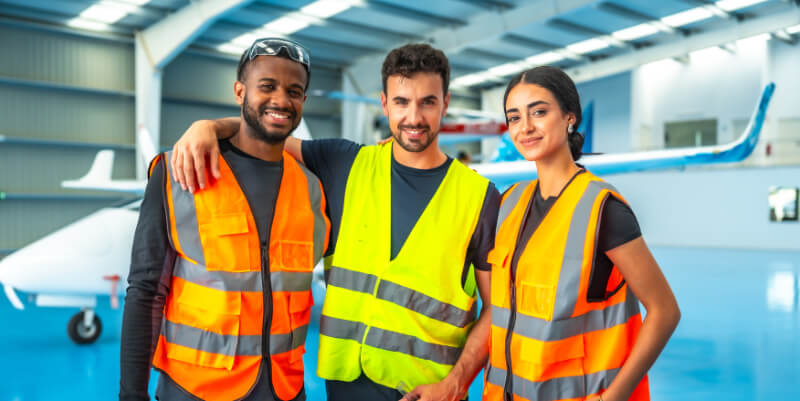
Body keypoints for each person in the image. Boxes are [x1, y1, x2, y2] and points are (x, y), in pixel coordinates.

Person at [170, 44, 500, 401]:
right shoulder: (343, 163)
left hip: (430, 391)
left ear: (445, 103)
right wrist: (207, 127)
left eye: (428, 102)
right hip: (344, 386)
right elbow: (265, 129)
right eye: (402, 102)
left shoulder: (479, 197)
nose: (414, 117)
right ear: (385, 104)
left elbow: (498, 306)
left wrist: (457, 382)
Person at [119, 38, 330, 401]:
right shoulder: (177, 173)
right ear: (239, 91)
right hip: (195, 390)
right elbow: (145, 293)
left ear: (303, 102)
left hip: (285, 389)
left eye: (294, 91)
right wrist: (131, 396)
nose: (281, 100)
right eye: (267, 86)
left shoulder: (313, 188)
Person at [483, 66, 681, 401]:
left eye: (539, 112)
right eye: (514, 118)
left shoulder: (603, 208)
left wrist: (615, 396)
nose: (525, 127)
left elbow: (664, 310)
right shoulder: (509, 203)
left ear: (569, 117)